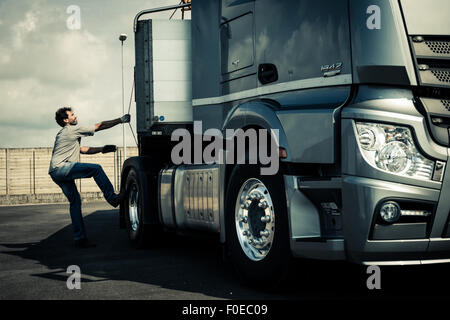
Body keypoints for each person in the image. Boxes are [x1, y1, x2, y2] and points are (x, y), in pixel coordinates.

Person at [48, 106, 130, 248]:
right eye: (72, 115)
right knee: (96, 169)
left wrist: (102, 149)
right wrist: (120, 120)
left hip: (55, 172)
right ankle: (113, 198)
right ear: (66, 120)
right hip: (62, 168)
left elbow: (82, 150)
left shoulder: (65, 133)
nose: (75, 116)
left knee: (75, 203)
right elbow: (100, 126)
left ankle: (80, 238)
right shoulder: (71, 130)